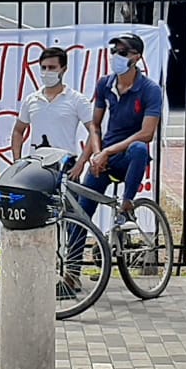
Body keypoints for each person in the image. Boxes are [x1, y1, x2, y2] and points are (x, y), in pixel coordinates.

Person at [72, 33, 161, 231]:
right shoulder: (105, 84)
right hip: (105, 158)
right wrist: (97, 154)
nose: (116, 56)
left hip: (129, 158)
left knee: (139, 148)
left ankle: (127, 205)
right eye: (114, 51)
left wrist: (107, 151)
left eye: (122, 52)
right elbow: (95, 125)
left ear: (136, 57)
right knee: (82, 212)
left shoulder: (150, 89)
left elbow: (147, 133)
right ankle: (72, 261)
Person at [11, 46, 98, 160]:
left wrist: (81, 163)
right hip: (36, 164)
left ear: (63, 69)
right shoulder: (31, 100)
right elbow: (18, 130)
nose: (47, 72)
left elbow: (94, 130)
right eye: (43, 67)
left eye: (52, 68)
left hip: (64, 164)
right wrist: (17, 161)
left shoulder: (77, 100)